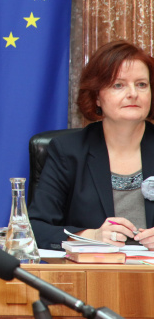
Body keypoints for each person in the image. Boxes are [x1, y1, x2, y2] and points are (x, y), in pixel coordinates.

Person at [29, 40, 154, 250]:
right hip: (90, 277)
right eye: (118, 85)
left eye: (141, 84)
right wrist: (91, 236)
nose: (133, 93)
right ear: (97, 96)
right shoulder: (68, 151)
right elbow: (33, 228)